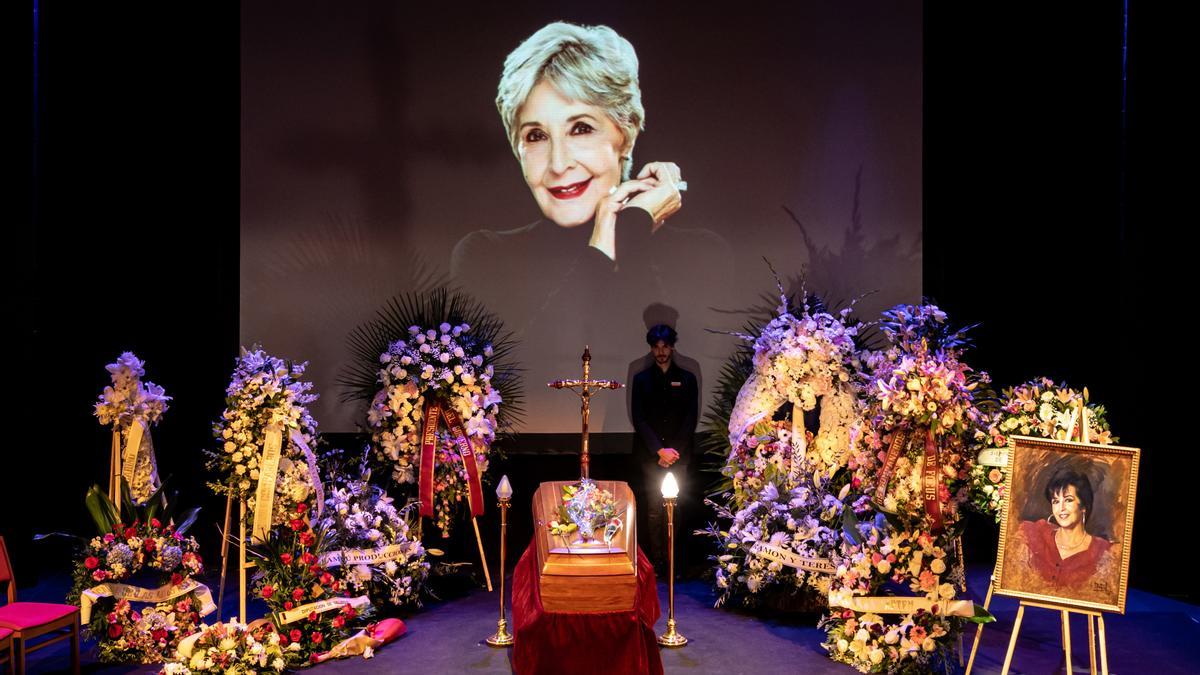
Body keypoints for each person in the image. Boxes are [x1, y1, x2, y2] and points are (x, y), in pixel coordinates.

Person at [449, 22, 732, 432]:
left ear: (626, 134)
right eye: (535, 136)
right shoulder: (484, 256)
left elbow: (688, 398)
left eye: (580, 128)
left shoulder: (703, 255)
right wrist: (617, 234)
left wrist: (624, 232)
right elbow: (533, 373)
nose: (559, 163)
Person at [630, 324, 698, 574]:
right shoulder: (641, 379)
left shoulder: (688, 378)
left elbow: (690, 419)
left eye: (665, 347)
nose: (660, 352)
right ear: (651, 348)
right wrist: (659, 451)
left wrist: (673, 452)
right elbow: (639, 419)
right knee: (653, 509)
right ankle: (657, 561)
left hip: (679, 456)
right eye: (656, 347)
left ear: (672, 346)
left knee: (675, 507)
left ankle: (673, 560)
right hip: (651, 456)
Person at [1007, 469, 1117, 598]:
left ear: (1083, 507)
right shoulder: (1035, 534)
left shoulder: (1102, 552)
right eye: (1056, 501)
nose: (1061, 508)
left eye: (1068, 500)